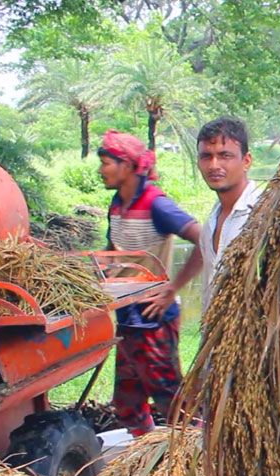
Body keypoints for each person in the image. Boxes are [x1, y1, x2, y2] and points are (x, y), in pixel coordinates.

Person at [97, 130, 201, 437]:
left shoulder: (157, 205)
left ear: (127, 166)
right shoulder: (117, 205)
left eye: (106, 163)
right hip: (128, 315)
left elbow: (202, 238)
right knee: (127, 400)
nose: (101, 170)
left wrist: (173, 288)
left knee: (170, 397)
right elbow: (112, 253)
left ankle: (191, 453)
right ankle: (142, 455)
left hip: (154, 317)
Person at [188, 117, 260, 311]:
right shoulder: (212, 220)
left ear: (246, 161)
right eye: (206, 156)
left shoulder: (263, 214)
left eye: (224, 155)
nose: (213, 165)